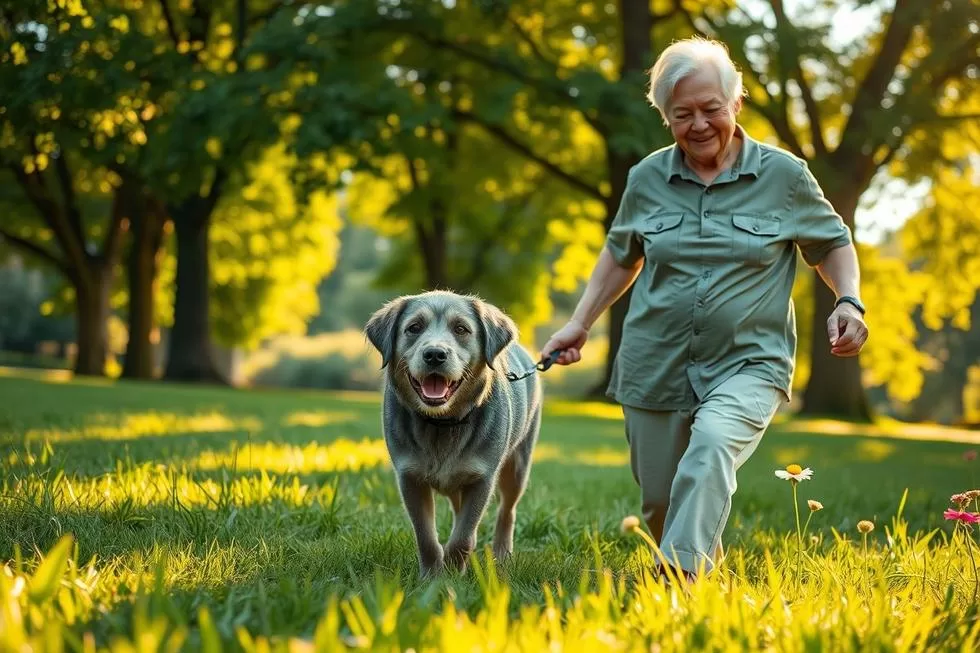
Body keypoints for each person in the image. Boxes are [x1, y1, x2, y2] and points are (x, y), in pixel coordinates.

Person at [539, 37, 869, 579]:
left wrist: (849, 300)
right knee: (662, 505)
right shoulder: (646, 178)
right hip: (655, 361)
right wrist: (578, 324)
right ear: (664, 116)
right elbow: (621, 255)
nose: (698, 125)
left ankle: (676, 578)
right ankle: (700, 593)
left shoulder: (784, 176)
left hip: (749, 361)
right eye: (681, 114)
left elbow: (832, 243)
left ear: (736, 104)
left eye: (711, 109)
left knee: (712, 445)